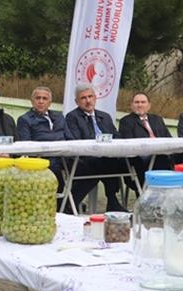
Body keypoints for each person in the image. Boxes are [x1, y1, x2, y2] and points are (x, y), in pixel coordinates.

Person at [64, 83, 131, 212]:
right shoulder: (72, 117)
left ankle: (72, 203)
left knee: (123, 162)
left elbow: (116, 136)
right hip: (82, 159)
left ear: (95, 98)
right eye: (83, 98)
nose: (88, 101)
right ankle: (112, 201)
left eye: (90, 96)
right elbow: (76, 140)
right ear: (76, 102)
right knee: (103, 164)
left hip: (106, 158)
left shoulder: (105, 116)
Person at [16, 86, 67, 207]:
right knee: (55, 172)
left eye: (45, 98)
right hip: (41, 160)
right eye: (38, 98)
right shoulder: (25, 119)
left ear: (50, 102)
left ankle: (69, 204)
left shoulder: (59, 116)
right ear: (32, 101)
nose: (41, 101)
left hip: (64, 158)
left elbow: (67, 137)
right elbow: (25, 144)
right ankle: (60, 206)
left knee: (88, 168)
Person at [118, 92, 172, 171]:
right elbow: (129, 144)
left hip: (162, 153)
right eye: (137, 102)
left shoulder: (157, 119)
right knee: (161, 159)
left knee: (182, 156)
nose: (140, 105)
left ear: (149, 105)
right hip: (142, 157)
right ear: (132, 105)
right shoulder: (126, 121)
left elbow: (169, 138)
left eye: (143, 102)